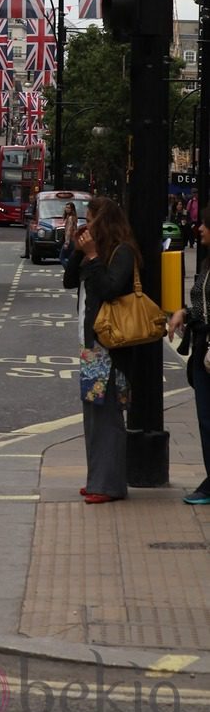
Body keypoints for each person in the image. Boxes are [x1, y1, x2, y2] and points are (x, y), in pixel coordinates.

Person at [62, 195, 139, 504]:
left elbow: (109, 288)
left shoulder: (122, 254)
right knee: (93, 414)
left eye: (91, 218)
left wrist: (93, 256)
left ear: (104, 221)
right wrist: (78, 252)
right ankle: (97, 479)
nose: (86, 224)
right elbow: (69, 282)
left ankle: (109, 485)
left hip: (111, 347)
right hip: (92, 346)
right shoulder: (94, 254)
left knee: (108, 416)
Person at [167, 204, 210, 504]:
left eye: (205, 224)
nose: (200, 228)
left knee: (208, 419)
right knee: (205, 420)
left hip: (208, 352)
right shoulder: (207, 263)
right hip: (202, 350)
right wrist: (184, 312)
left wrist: (189, 314)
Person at [58, 200, 79, 265]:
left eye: (69, 208)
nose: (67, 209)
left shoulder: (70, 218)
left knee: (61, 257)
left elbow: (68, 230)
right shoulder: (73, 217)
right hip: (73, 240)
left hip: (70, 240)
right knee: (70, 257)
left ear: (72, 209)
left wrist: (67, 242)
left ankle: (68, 270)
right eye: (66, 207)